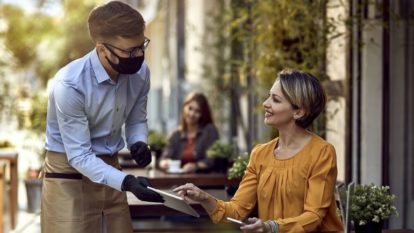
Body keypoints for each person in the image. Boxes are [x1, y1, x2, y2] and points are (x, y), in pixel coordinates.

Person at [41, 2, 164, 233]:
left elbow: (137, 118)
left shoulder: (140, 73)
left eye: (141, 47)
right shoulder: (69, 85)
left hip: (111, 167)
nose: (138, 56)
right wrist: (126, 182)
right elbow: (78, 155)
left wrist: (138, 141)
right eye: (129, 52)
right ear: (102, 49)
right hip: (68, 173)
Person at [173, 69, 344, 232]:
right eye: (269, 96)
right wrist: (204, 198)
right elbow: (236, 211)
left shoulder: (321, 152)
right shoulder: (260, 154)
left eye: (275, 100)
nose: (265, 103)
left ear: (298, 112)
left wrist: (272, 227)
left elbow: (314, 217)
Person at [159, 92, 219, 173]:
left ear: (203, 114)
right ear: (184, 107)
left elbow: (212, 160)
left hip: (203, 182)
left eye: (197, 111)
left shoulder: (209, 130)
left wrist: (195, 166)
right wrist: (164, 163)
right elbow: (163, 158)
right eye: (190, 108)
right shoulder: (176, 134)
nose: (192, 114)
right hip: (178, 182)